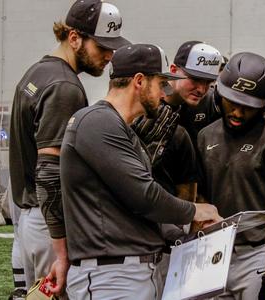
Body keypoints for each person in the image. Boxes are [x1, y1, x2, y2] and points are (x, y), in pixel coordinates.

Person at [60, 43, 222, 299]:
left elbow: (138, 211)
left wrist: (185, 231)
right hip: (110, 276)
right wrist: (194, 211)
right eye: (160, 84)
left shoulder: (122, 128)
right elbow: (144, 196)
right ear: (139, 81)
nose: (163, 93)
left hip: (135, 271)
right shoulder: (96, 121)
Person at [8, 0, 129, 295]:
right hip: (51, 225)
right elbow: (49, 174)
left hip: (33, 220)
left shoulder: (37, 72)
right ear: (74, 38)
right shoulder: (65, 87)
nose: (109, 56)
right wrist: (61, 251)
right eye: (102, 47)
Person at [198, 52, 265, 299]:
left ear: (264, 105)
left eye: (247, 107)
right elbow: (201, 198)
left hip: (261, 254)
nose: (237, 112)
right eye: (231, 103)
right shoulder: (205, 137)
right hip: (216, 253)